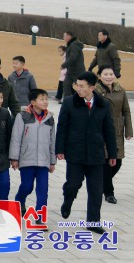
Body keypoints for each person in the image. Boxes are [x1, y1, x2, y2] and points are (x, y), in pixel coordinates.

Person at [57, 71, 117, 233]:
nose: (78, 88)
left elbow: (109, 131)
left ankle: (93, 221)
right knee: (73, 184)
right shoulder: (69, 102)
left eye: (82, 86)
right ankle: (68, 201)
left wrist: (112, 154)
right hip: (75, 153)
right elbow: (62, 127)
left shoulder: (103, 104)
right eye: (77, 85)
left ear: (92, 87)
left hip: (96, 155)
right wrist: (59, 149)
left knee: (96, 190)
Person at [10, 88, 56, 219]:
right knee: (27, 186)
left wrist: (52, 161)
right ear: (33, 102)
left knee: (43, 191)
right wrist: (14, 158)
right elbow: (16, 138)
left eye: (46, 99)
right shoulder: (23, 116)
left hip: (44, 161)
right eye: (42, 99)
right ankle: (19, 200)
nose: (45, 101)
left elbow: (53, 140)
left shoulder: (50, 118)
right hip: (26, 159)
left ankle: (40, 217)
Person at [94, 66, 132, 204]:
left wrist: (128, 130)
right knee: (106, 162)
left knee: (118, 162)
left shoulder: (120, 90)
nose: (109, 76)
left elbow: (126, 111)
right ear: (99, 76)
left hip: (117, 130)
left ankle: (102, 183)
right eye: (105, 74)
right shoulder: (95, 91)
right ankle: (109, 193)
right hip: (101, 130)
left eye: (111, 74)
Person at [61, 31, 85, 99]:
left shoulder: (74, 46)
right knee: (66, 85)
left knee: (81, 87)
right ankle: (68, 101)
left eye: (64, 36)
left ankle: (82, 100)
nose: (63, 38)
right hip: (70, 71)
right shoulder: (71, 45)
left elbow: (73, 57)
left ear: (69, 36)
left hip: (77, 71)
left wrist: (64, 65)